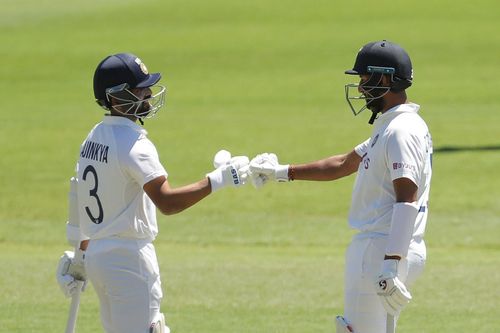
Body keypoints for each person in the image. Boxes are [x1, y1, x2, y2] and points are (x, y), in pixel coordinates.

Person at [56, 53, 249, 333]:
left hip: (99, 257)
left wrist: (80, 256)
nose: (147, 94)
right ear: (116, 97)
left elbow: (80, 197)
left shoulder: (93, 138)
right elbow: (168, 202)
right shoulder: (135, 144)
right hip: (129, 261)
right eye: (139, 89)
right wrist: (218, 180)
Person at [248, 40, 432, 333]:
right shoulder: (391, 126)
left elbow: (407, 198)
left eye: (363, 79)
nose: (360, 88)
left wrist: (390, 264)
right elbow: (343, 164)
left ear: (384, 79)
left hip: (382, 247)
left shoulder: (401, 131)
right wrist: (281, 172)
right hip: (384, 246)